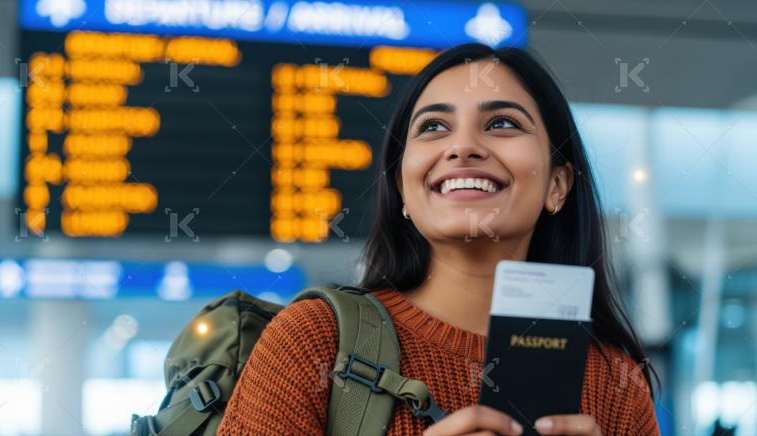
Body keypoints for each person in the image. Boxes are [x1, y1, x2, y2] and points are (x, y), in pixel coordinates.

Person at [218, 43, 660, 435]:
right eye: (432, 127)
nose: (463, 146)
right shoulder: (314, 340)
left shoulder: (615, 384)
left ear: (557, 186)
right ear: (402, 189)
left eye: (502, 123)